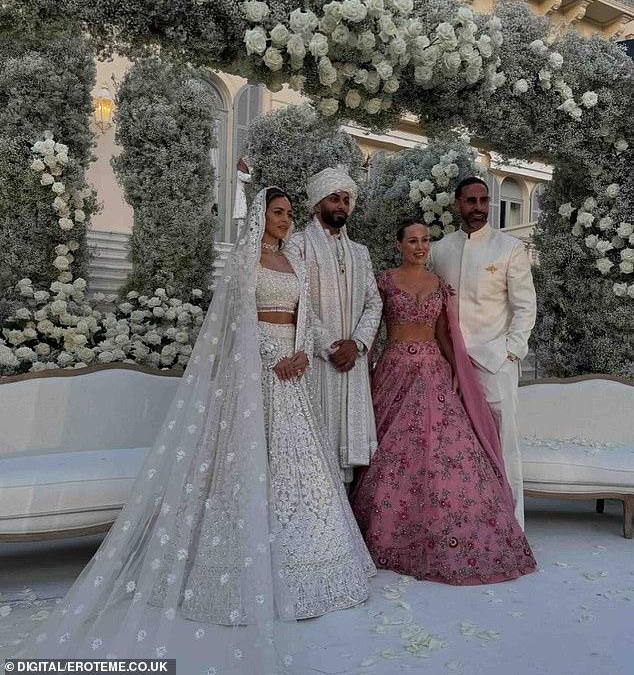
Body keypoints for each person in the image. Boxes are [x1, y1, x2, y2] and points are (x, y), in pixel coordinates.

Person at [16, 188, 374, 674]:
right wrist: (271, 361)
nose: (286, 221)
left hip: (292, 375)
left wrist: (305, 354)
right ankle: (234, 574)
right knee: (245, 472)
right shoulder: (244, 265)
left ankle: (310, 571)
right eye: (278, 212)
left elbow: (305, 321)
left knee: (301, 475)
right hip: (254, 376)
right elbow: (231, 327)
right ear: (261, 217)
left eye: (290, 214)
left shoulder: (298, 264)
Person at [350, 220, 536, 585]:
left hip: (433, 371)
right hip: (396, 369)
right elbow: (371, 330)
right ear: (399, 244)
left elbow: (444, 335)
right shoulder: (384, 281)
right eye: (413, 241)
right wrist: (360, 370)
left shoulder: (438, 285)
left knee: (446, 451)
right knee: (392, 449)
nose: (420, 246)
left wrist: (456, 371)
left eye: (425, 240)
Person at [428, 177, 537, 528]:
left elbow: (525, 307)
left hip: (495, 362)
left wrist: (510, 353)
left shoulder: (509, 248)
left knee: (504, 444)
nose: (478, 207)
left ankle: (512, 525)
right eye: (470, 201)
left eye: (484, 200)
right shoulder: (440, 249)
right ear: (457, 204)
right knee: (455, 446)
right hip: (450, 364)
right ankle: (465, 521)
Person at [290, 168, 382, 485]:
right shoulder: (298, 245)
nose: (342, 205)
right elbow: (297, 302)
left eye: (346, 199)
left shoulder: (361, 252)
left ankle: (345, 524)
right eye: (334, 198)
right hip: (318, 360)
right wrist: (331, 346)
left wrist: (356, 344)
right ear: (317, 204)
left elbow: (375, 302)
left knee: (349, 456)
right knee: (314, 450)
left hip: (351, 361)